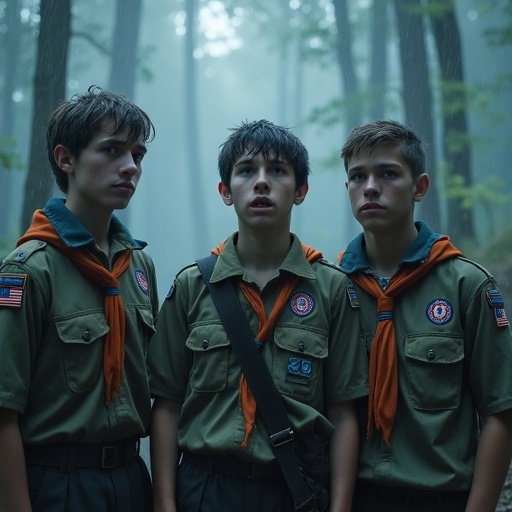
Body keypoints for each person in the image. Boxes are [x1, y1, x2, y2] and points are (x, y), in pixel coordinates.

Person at [148, 119, 369, 512]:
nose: (261, 182)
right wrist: (165, 505)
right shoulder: (192, 286)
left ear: (300, 191)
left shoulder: (332, 289)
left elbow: (343, 412)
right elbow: (166, 406)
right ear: (225, 191)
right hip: (204, 488)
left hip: (292, 489)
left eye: (278, 171)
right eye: (247, 170)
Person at [336, 119, 512, 512]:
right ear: (346, 188)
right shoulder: (332, 288)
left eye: (388, 174)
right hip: (356, 497)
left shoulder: (467, 287)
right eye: (357, 176)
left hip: (441, 498)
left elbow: (500, 415)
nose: (370, 187)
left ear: (420, 187)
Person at [0, 86, 158, 511]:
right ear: (65, 158)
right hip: (58, 485)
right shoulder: (30, 269)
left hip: (130, 479)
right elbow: (2, 414)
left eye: (138, 155)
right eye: (112, 150)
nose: (129, 167)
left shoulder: (138, 267)